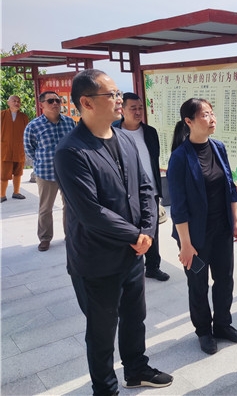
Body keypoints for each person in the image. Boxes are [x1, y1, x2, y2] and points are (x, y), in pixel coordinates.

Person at [54, 69, 173, 395]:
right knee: (102, 330)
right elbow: (90, 211)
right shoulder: (71, 151)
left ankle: (136, 370)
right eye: (112, 95)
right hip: (97, 259)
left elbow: (146, 188)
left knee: (135, 317)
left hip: (132, 253)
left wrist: (147, 230)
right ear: (86, 103)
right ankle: (105, 389)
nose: (119, 100)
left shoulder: (124, 138)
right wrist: (136, 236)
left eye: (118, 93)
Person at [167, 98, 237, 355]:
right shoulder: (180, 157)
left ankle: (222, 324)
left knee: (224, 279)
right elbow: (178, 206)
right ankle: (203, 330)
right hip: (194, 237)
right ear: (189, 122)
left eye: (212, 113)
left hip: (221, 229)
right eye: (205, 115)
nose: (212, 119)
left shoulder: (218, 147)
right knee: (198, 283)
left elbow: (229, 187)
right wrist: (186, 244)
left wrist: (235, 221)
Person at [113, 92, 170, 281]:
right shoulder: (113, 132)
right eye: (133, 108)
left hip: (150, 190)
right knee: (129, 231)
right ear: (122, 110)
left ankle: (153, 267)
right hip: (125, 193)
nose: (138, 112)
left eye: (140, 108)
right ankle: (129, 270)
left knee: (151, 230)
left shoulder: (150, 132)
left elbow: (153, 159)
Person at [23, 91, 76, 251]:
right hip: (46, 173)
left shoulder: (69, 122)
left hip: (67, 172)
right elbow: (29, 149)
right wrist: (42, 161)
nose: (55, 104)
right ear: (42, 105)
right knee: (46, 208)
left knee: (70, 206)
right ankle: (45, 238)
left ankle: (71, 235)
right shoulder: (34, 126)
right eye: (51, 101)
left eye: (58, 101)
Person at [1, 95, 29, 202]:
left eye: (18, 101)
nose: (17, 103)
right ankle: (2, 195)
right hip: (5, 149)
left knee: (18, 172)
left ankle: (16, 192)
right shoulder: (2, 115)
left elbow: (27, 133)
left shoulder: (23, 117)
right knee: (4, 174)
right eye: (14, 101)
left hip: (19, 149)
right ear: (8, 102)